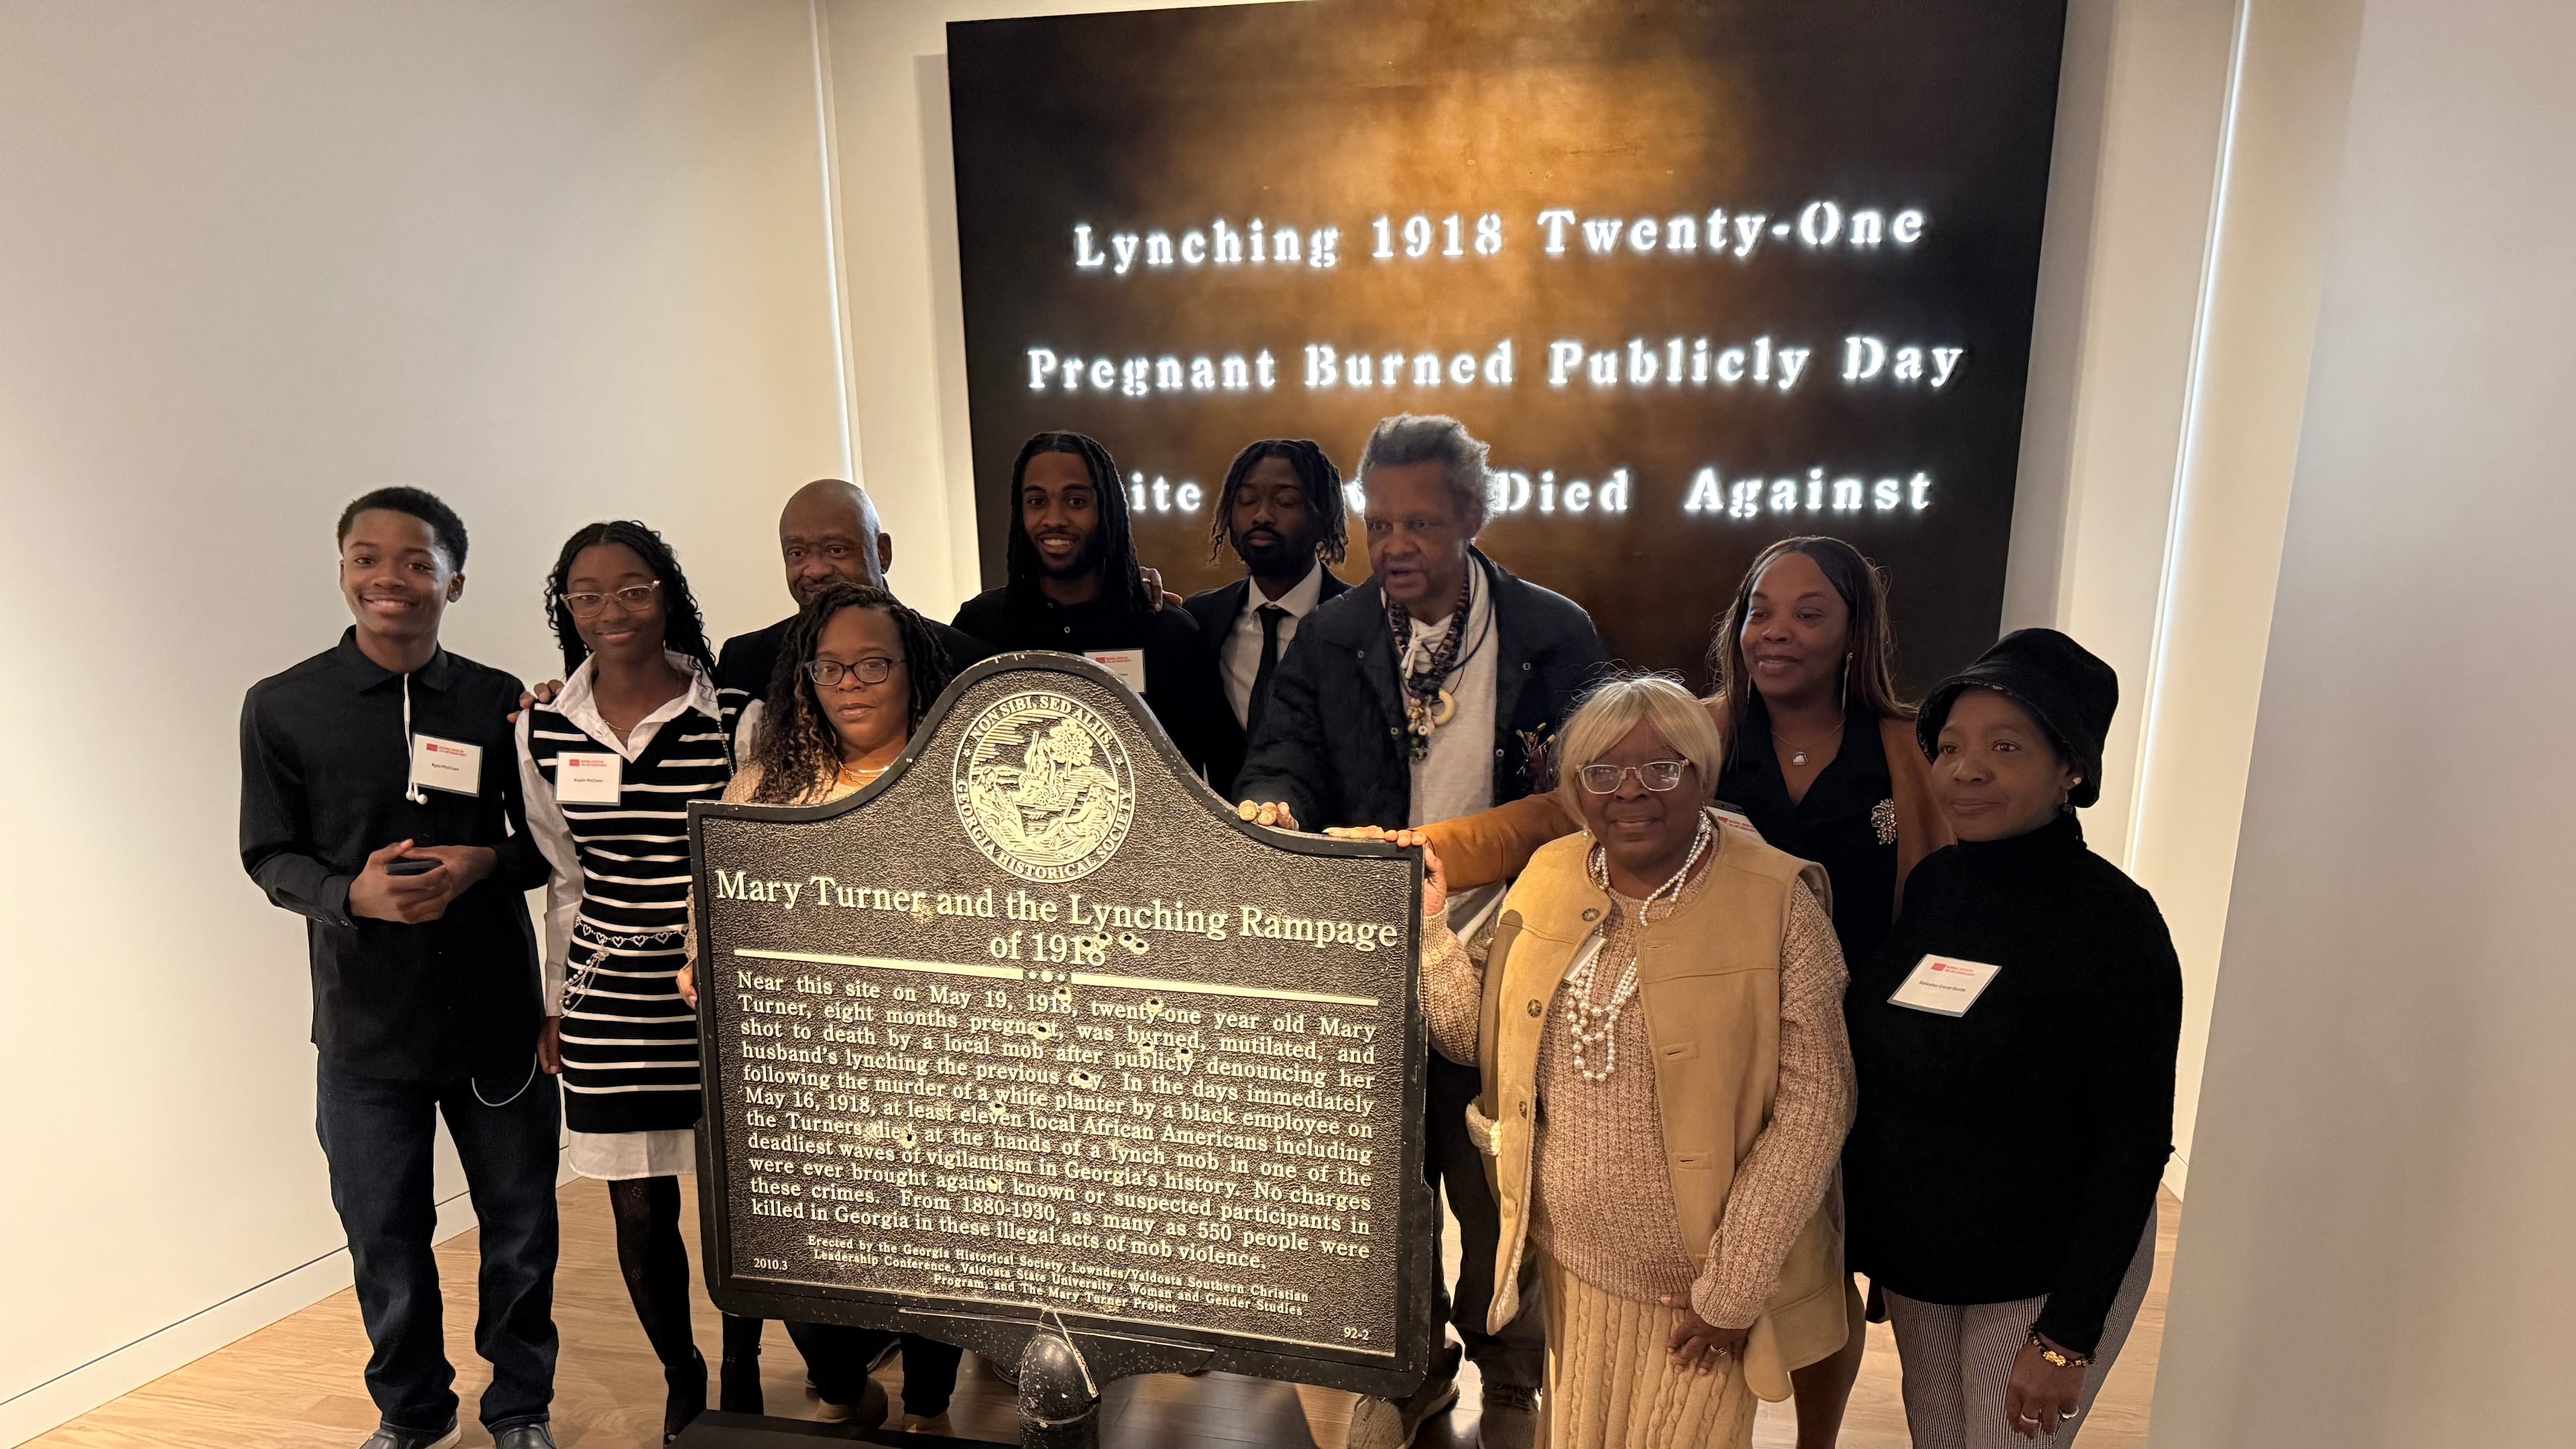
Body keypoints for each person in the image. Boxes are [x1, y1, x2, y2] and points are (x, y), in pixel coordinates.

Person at [1412, 535, 1952, 1447]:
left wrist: (1732, 1285)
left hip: (1817, 1069)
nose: (1634, 789)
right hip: (1591, 1254)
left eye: (1809, 612)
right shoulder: (1636, 791)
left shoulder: (1859, 798)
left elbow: (1822, 1089)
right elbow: (1498, 1009)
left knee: (1818, 1274)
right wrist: (1419, 887)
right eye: (1760, 611)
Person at [1236, 413, 1609, 1449]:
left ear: (1474, 518)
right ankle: (1407, 1374)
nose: (1394, 545)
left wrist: (1430, 846)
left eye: (1420, 524)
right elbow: (1283, 757)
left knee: (1497, 1178)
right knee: (1383, 1194)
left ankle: (1511, 1371)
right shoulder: (1334, 635)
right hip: (1372, 963)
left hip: (1515, 950)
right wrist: (1270, 802)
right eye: (1380, 522)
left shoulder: (1554, 633)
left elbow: (1583, 801)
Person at [1391, 674, 1854, 1449]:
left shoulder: (1778, 901)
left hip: (1699, 1295)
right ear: (1574, 789)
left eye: (1662, 768)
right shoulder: (1547, 876)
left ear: (1702, 775)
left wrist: (1733, 1291)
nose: (1630, 792)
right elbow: (1483, 1047)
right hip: (1575, 1272)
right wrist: (1435, 934)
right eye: (1602, 772)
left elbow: (1816, 1110)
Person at [239, 488, 561, 1449]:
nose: (391, 579)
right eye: (368, 558)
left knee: (519, 1231)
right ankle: (412, 1415)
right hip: (364, 1033)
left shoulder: (499, 701)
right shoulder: (282, 706)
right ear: (342, 571)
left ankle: (520, 1410)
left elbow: (546, 846)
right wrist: (351, 895)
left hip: (495, 1022)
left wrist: (484, 864)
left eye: (417, 562)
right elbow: (268, 856)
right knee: (385, 1239)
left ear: (453, 581)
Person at [1842, 629, 2180, 1448]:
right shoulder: (1935, 886)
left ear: (2073, 768)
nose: (1967, 769)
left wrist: (2070, 1334)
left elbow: (2135, 1142)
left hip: (2040, 1267)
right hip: (1929, 1261)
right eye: (1950, 746)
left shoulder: (2113, 922)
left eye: (2005, 747)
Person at [681, 581, 967, 1434]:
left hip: (937, 1076)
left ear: (912, 670)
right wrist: (702, 964)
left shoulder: (964, 783)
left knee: (940, 1258)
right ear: (805, 677)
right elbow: (715, 913)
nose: (851, 683)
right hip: (808, 1081)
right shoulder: (762, 789)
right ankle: (844, 1386)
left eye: (873, 663)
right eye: (831, 666)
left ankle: (930, 1407)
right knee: (802, 1263)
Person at [513, 522, 751, 1443]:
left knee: (735, 1200)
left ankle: (737, 1363)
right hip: (607, 994)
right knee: (640, 1203)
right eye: (587, 594)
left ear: (668, 594)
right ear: (565, 607)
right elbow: (564, 881)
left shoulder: (731, 714)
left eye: (634, 588)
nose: (612, 610)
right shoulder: (541, 729)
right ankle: (681, 1371)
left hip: (710, 990)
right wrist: (553, 1007)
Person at [953, 432, 1232, 780]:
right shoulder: (980, 626)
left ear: (1108, 511)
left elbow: (1218, 776)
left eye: (1075, 502)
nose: (1054, 519)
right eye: (1037, 502)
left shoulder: (1167, 632)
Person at [716, 478, 994, 755]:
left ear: (882, 553)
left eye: (836, 550)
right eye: (798, 553)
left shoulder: (966, 662)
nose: (815, 570)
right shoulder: (745, 663)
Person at [1182, 438, 1353, 794]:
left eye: (1286, 501)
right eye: (1246, 501)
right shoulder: (1201, 619)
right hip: (1223, 841)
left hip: (1333, 841)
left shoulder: (1359, 621)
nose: (1262, 516)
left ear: (1322, 514)